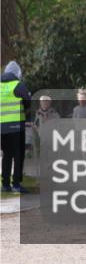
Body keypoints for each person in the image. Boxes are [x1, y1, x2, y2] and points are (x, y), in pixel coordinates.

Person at [1, 61, 31, 194]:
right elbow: (28, 103)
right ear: (17, 73)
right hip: (16, 126)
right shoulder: (18, 85)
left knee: (6, 155)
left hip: (1, 127)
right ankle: (16, 184)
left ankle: (5, 184)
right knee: (18, 155)